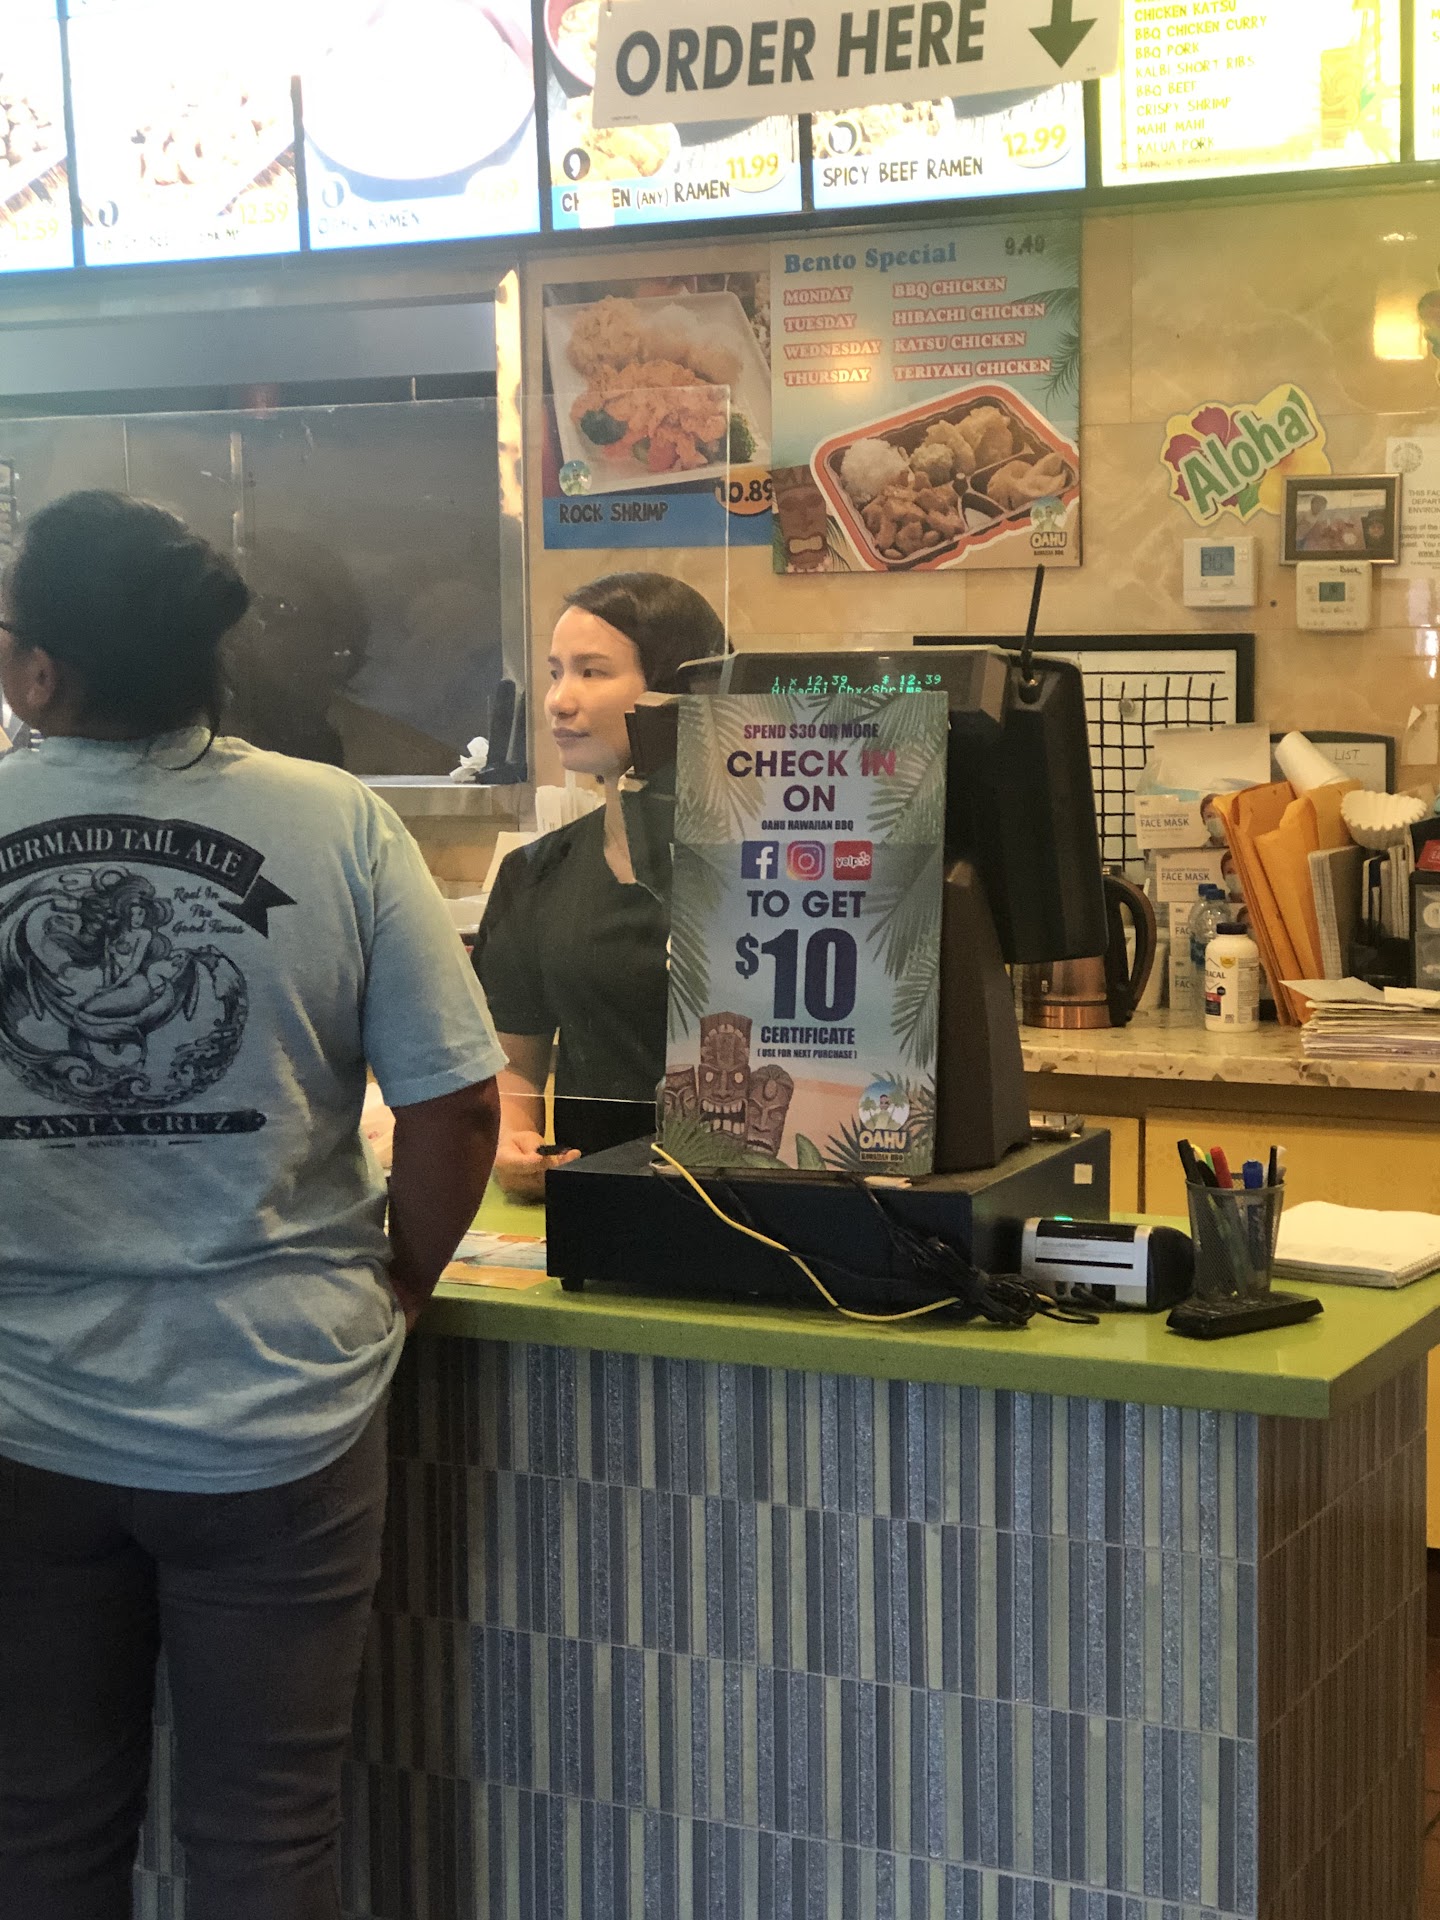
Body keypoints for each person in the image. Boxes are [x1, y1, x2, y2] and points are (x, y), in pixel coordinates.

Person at [0, 489, 506, 1920]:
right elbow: (459, 1107)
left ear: (40, 670)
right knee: (266, 1837)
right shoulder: (336, 820)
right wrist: (403, 1280)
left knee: (39, 1828)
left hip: (22, 1416)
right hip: (280, 1407)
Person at [473, 571, 725, 1200]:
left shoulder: (768, 868)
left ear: (674, 692)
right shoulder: (534, 871)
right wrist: (513, 1138)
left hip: (747, 1199)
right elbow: (513, 1064)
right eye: (555, 672)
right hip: (595, 1200)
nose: (559, 700)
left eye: (591, 672)